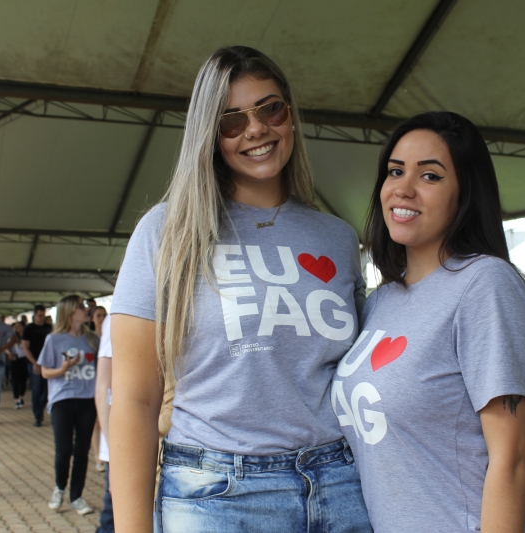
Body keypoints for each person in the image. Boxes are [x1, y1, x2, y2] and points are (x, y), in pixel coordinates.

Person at [110, 46, 369, 533]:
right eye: (231, 120)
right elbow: (133, 401)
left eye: (270, 109)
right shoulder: (167, 232)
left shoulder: (337, 238)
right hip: (217, 495)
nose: (255, 129)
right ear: (209, 135)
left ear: (290, 115)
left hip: (341, 485)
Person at [334, 111, 525, 533]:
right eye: (395, 171)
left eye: (430, 176)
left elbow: (510, 460)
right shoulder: (381, 302)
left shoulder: (485, 284)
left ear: (465, 193)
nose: (403, 188)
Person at [38, 295, 97, 515]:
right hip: (62, 400)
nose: (86, 309)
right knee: (63, 450)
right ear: (70, 312)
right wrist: (63, 369)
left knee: (82, 451)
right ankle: (59, 487)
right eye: (81, 307)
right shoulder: (54, 339)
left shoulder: (93, 339)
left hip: (88, 400)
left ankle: (76, 497)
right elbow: (44, 372)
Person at [95, 314, 114, 533]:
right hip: (120, 444)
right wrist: (112, 450)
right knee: (113, 516)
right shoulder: (116, 320)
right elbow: (102, 389)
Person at [22, 305, 52, 426]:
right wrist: (35, 363)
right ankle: (38, 416)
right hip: (34, 362)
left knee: (47, 390)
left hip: (48, 363)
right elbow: (25, 348)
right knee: (37, 389)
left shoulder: (49, 328)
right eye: (39, 315)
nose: (41, 318)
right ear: (34, 316)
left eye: (43, 315)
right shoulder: (29, 329)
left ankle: (43, 407)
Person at [91, 306, 108, 472]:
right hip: (92, 383)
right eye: (98, 315)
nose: (101, 318)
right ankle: (98, 456)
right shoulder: (90, 338)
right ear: (92, 319)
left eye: (104, 315)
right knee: (96, 422)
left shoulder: (111, 331)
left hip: (105, 383)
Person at [10, 322, 29, 409]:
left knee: (23, 379)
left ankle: (21, 396)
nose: (18, 328)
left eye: (19, 326)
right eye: (16, 327)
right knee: (15, 380)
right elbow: (6, 346)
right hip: (15, 359)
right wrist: (9, 353)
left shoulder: (26, 336)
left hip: (24, 359)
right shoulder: (13, 337)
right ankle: (16, 399)